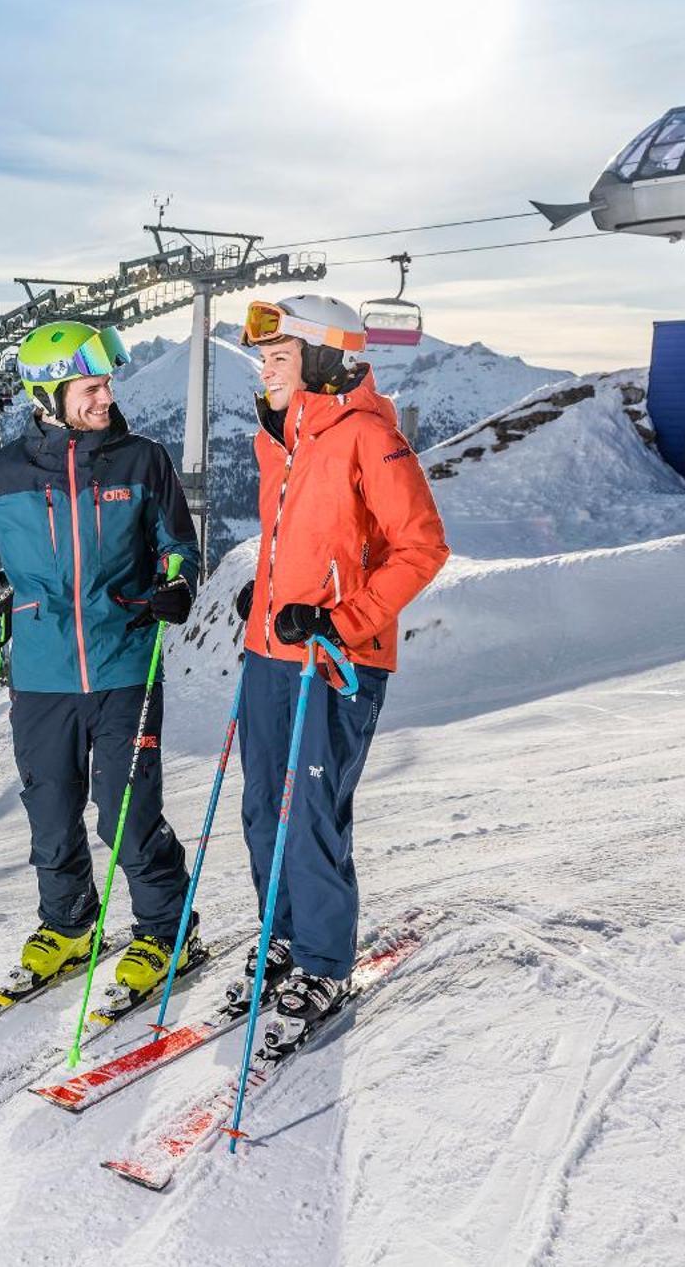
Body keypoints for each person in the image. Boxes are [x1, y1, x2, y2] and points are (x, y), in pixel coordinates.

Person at [0, 319, 203, 999]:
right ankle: (70, 925)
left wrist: (179, 585)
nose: (106, 398)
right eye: (92, 386)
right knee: (50, 809)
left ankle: (167, 933)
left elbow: (179, 546)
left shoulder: (143, 461)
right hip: (41, 673)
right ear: (49, 393)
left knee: (125, 813)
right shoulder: (3, 472)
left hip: (124, 663)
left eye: (107, 385)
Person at [230, 294, 449, 1045]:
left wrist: (339, 620)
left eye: (279, 356)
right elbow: (301, 540)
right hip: (269, 651)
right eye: (264, 357)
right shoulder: (281, 436)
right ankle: (284, 934)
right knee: (262, 809)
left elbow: (421, 546)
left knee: (311, 813)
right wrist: (262, 593)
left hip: (335, 660)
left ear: (322, 362)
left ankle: (324, 959)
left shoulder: (367, 436)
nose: (265, 370)